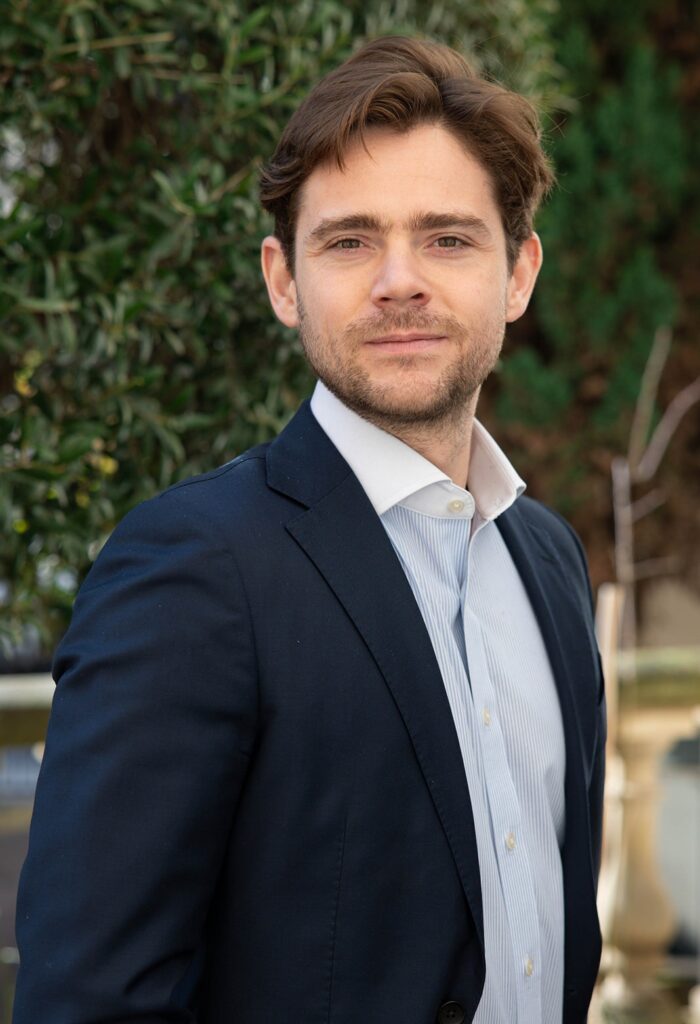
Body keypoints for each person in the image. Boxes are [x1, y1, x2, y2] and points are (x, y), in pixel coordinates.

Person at [13, 35, 606, 1024]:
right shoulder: (192, 568)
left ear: (519, 273)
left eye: (448, 239)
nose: (399, 280)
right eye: (350, 241)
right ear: (283, 281)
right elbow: (90, 997)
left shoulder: (549, 561)